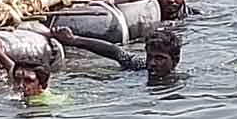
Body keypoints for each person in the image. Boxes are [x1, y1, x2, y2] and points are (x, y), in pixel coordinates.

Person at [51, 27, 181, 84]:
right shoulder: (140, 66)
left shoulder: (180, 83)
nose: (152, 63)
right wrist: (73, 40)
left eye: (159, 58)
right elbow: (114, 52)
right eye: (150, 57)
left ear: (175, 61)